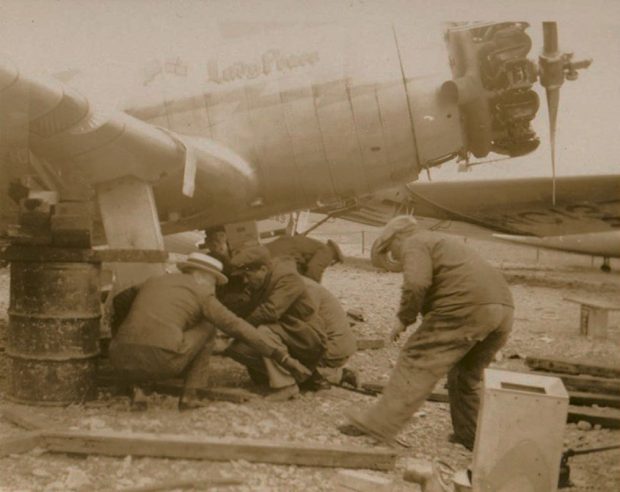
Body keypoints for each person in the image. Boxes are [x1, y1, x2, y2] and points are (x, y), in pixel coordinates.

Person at [341, 216, 513, 450]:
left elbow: (417, 283)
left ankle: (379, 424)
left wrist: (403, 319)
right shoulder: (440, 241)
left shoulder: (415, 242)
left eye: (392, 250)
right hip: (502, 310)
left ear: (398, 236)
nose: (395, 256)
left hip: (467, 306)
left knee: (416, 358)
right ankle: (471, 436)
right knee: (465, 374)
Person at [108, 252, 311, 411]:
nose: (215, 289)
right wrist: (284, 358)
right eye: (215, 283)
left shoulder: (154, 281)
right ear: (203, 277)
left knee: (151, 333)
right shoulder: (202, 294)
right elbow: (240, 328)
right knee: (208, 326)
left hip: (118, 357)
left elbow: (120, 300)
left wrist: (124, 331)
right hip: (162, 360)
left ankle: (138, 391)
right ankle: (190, 396)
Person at [224, 245, 327, 400]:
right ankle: (296, 375)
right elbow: (244, 305)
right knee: (237, 349)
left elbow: (269, 311)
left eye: (247, 275)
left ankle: (287, 385)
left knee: (262, 332)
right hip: (285, 334)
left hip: (306, 336)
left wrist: (237, 329)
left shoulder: (288, 278)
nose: (245, 281)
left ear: (263, 269)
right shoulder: (261, 280)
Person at [303, 277, 358, 387]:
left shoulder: (306, 289)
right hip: (338, 345)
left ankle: (335, 375)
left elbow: (305, 325)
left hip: (334, 349)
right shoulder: (302, 283)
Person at [264, 235, 344, 283]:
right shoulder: (327, 252)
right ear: (334, 258)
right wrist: (316, 289)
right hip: (280, 256)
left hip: (271, 249)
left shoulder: (316, 245)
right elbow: (313, 271)